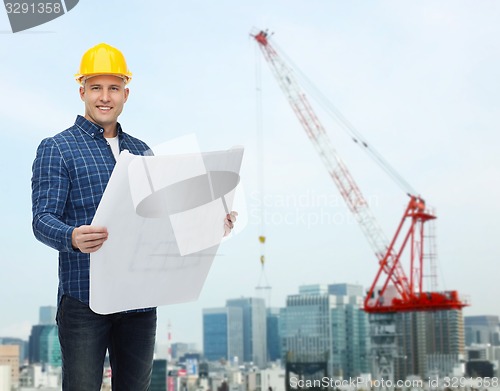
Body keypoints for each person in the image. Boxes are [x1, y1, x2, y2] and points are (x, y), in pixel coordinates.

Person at [31, 42, 237, 390]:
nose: (105, 97)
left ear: (126, 93)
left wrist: (212, 224)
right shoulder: (57, 147)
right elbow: (42, 219)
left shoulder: (142, 151)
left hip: (139, 300)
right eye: (96, 87)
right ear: (81, 90)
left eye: (114, 88)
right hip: (84, 300)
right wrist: (71, 236)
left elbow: (165, 222)